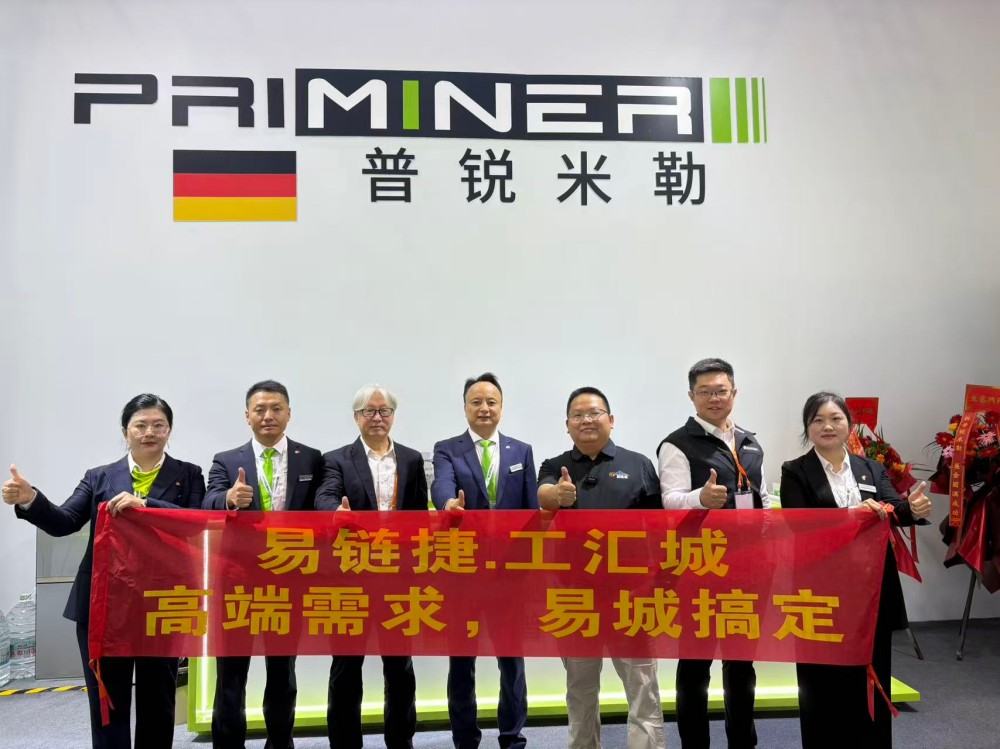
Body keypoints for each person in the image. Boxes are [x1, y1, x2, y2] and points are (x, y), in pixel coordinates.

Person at [1, 393, 205, 749]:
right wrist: (31, 499)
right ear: (126, 431)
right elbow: (64, 521)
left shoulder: (189, 475)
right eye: (140, 425)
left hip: (161, 603)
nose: (149, 432)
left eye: (159, 425)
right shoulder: (99, 476)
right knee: (107, 698)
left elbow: (196, 523)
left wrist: (146, 504)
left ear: (169, 430)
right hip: (104, 604)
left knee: (158, 697)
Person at [780, 391, 931, 748]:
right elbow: (799, 525)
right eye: (818, 420)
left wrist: (913, 508)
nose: (827, 426)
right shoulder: (795, 471)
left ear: (848, 425)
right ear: (807, 428)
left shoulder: (870, 468)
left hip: (869, 590)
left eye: (835, 418)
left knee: (872, 672)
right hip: (820, 592)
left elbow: (893, 508)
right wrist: (851, 516)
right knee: (821, 679)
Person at [537, 386, 665, 749]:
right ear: (567, 424)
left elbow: (659, 529)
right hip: (575, 598)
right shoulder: (555, 466)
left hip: (631, 597)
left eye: (594, 413)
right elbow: (543, 494)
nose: (586, 420)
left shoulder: (638, 464)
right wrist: (557, 496)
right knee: (580, 691)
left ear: (611, 419)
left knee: (642, 689)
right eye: (577, 415)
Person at [203, 379, 324, 749]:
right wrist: (228, 497)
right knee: (231, 673)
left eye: (276, 409)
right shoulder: (226, 460)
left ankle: (280, 743)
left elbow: (321, 505)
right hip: (237, 583)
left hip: (289, 579)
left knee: (282, 671)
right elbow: (207, 502)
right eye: (260, 409)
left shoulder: (312, 458)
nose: (268, 416)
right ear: (247, 416)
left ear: (289, 413)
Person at [657, 357, 767, 749]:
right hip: (697, 570)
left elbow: (761, 497)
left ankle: (743, 742)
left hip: (745, 569)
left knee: (741, 667)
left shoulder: (750, 442)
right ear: (692, 396)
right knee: (694, 666)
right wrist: (700, 499)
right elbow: (669, 501)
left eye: (721, 390)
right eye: (705, 392)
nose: (714, 398)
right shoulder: (677, 443)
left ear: (734, 393)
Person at [315, 384, 427, 749]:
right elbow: (325, 495)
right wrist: (336, 512)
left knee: (400, 668)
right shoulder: (336, 459)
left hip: (397, 577)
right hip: (351, 577)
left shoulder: (411, 459)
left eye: (384, 411)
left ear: (393, 416)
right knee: (346, 667)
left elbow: (418, 515)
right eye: (369, 411)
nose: (377, 417)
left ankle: (401, 740)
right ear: (356, 417)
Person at [431, 372, 538, 749]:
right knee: (462, 661)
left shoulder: (521, 451)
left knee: (512, 661)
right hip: (463, 572)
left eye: (491, 402)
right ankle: (465, 738)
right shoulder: (448, 448)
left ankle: (512, 736)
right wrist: (448, 504)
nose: (484, 408)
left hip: (509, 575)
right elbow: (441, 483)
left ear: (501, 407)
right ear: (465, 408)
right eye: (476, 402)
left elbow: (531, 511)